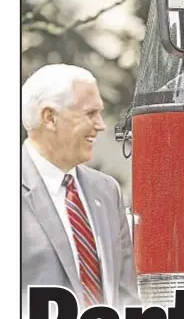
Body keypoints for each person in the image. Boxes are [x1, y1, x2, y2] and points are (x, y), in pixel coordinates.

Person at [21, 64, 140, 315]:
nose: (100, 125)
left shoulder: (107, 191)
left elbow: (126, 297)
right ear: (50, 117)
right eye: (90, 114)